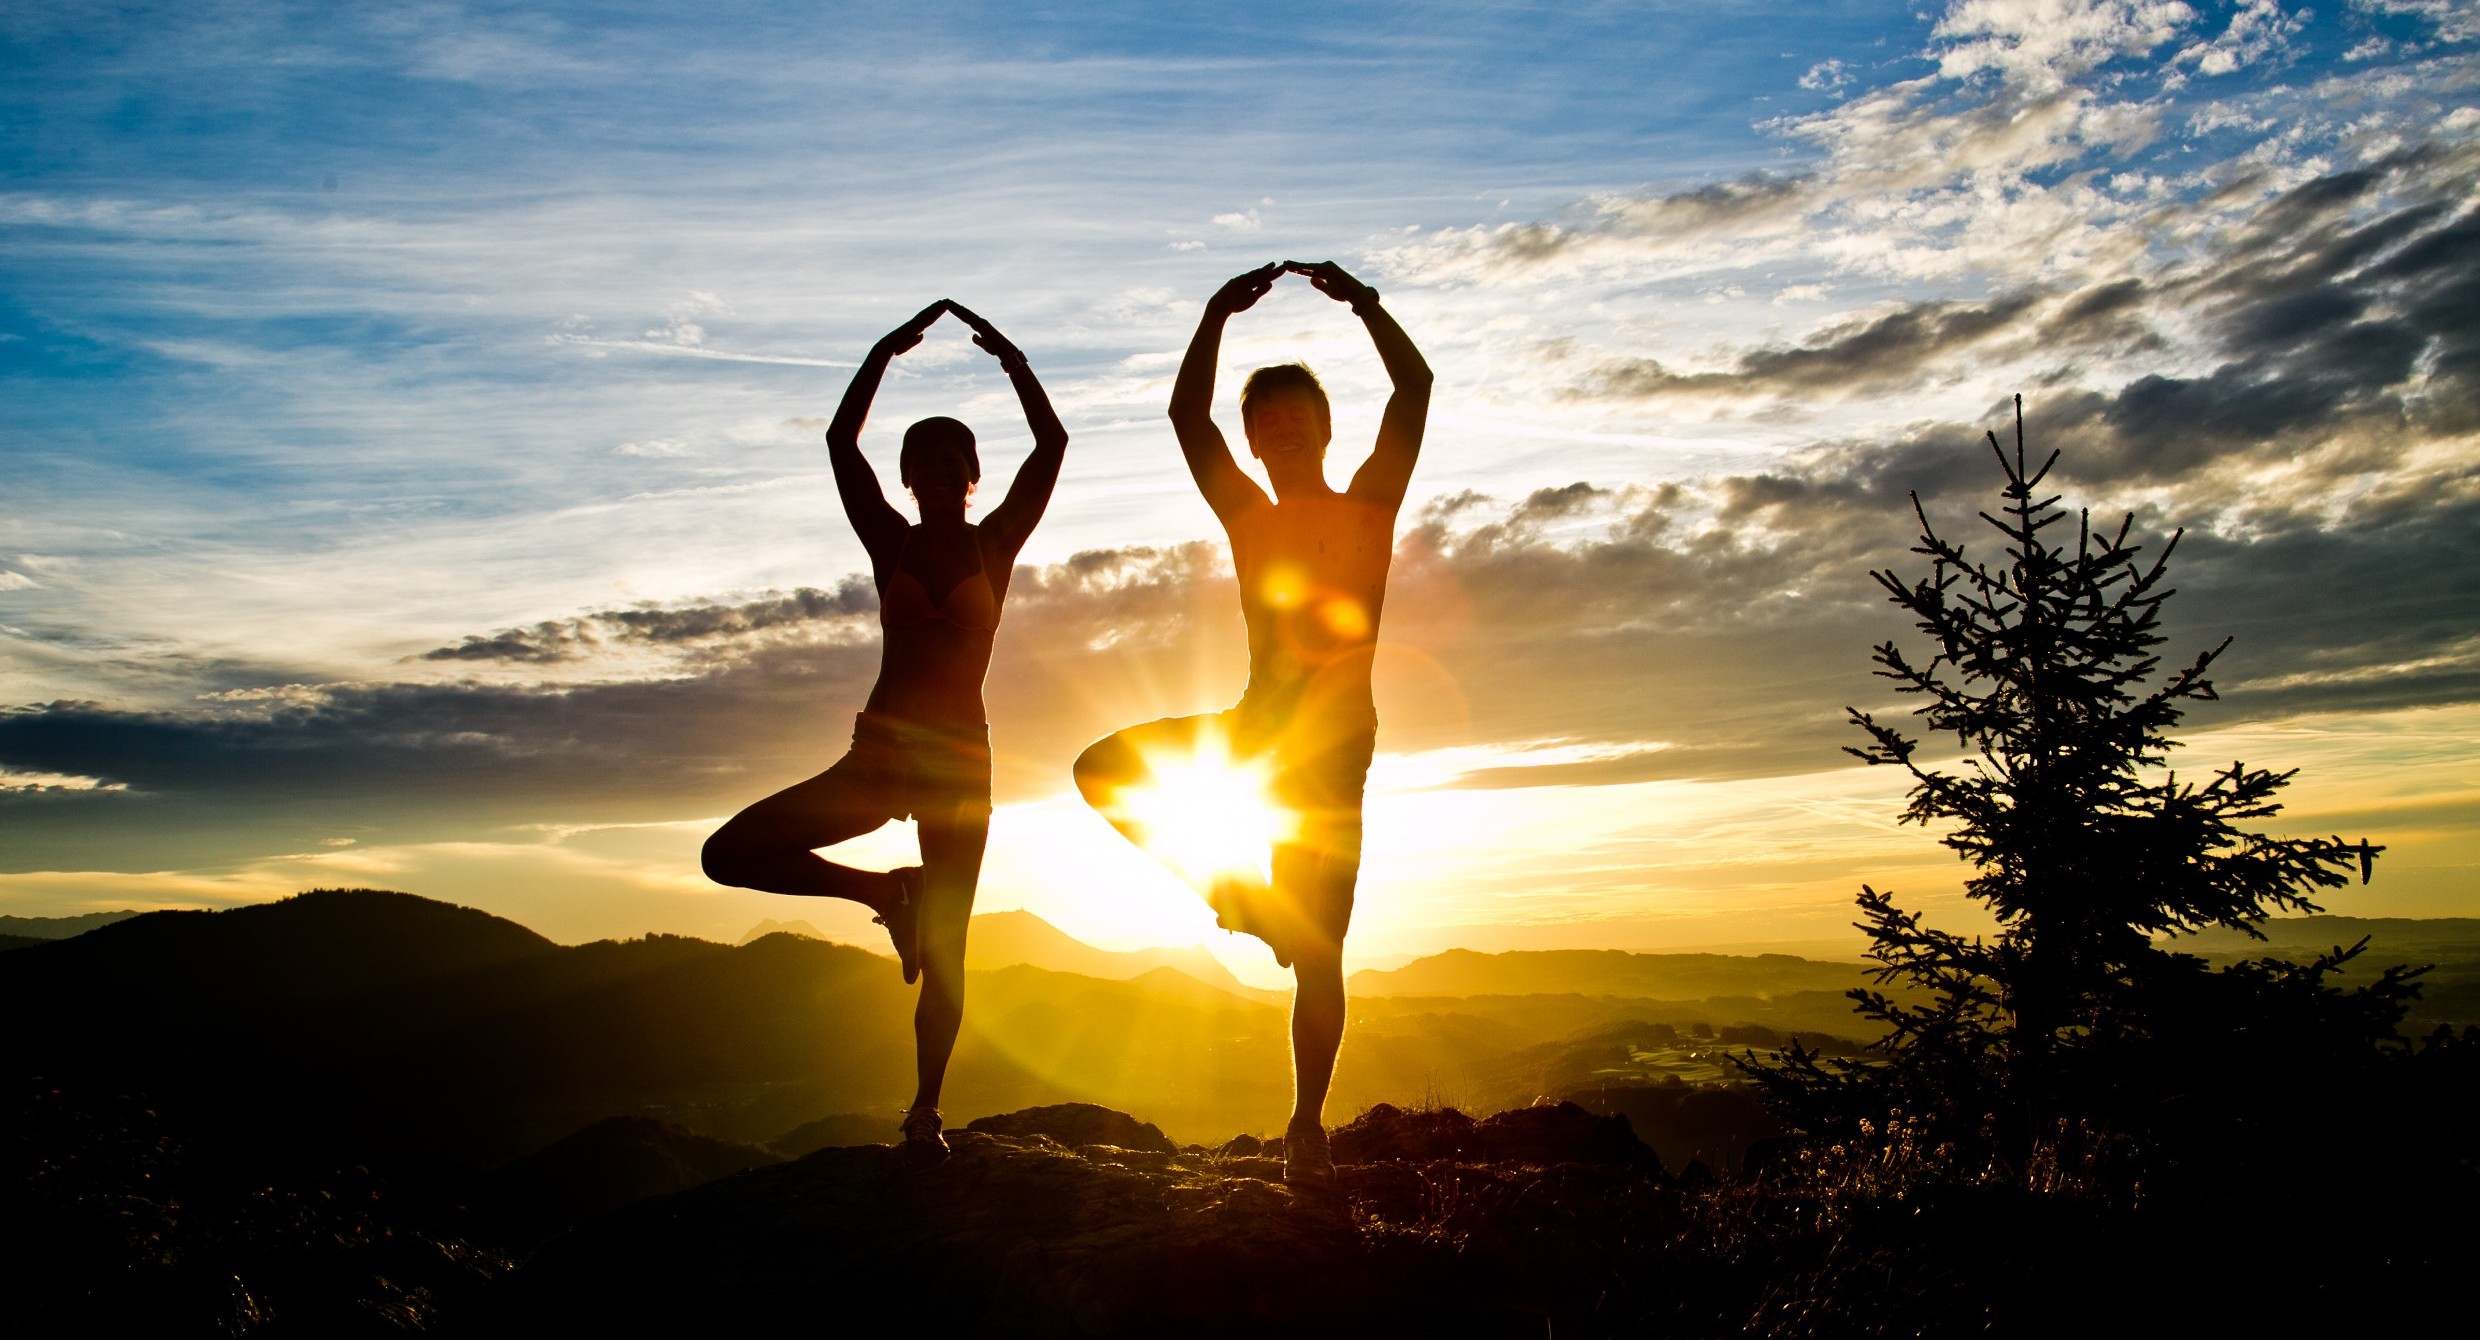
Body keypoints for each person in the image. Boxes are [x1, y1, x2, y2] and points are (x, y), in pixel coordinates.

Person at [1073, 260, 1430, 1185]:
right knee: (1103, 767)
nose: (1279, 429)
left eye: (1294, 415)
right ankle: (1234, 896)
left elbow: (1415, 387)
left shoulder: (1369, 505)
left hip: (1337, 744)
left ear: (1320, 427)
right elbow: (1187, 421)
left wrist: (1364, 305)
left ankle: (1305, 1128)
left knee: (1320, 951)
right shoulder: (1246, 517)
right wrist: (1210, 316)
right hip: (1256, 726)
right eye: (1264, 421)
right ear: (1256, 442)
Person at [702, 299, 1067, 1158]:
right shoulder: (889, 541)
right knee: (727, 855)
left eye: (953, 458)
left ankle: (925, 1114)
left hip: (959, 769)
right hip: (878, 756)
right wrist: (882, 353)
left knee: (950, 947)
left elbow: (1051, 447)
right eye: (924, 459)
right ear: (909, 477)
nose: (939, 468)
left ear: (973, 472)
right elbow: (839, 443)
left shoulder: (999, 543)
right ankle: (881, 892)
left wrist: (1011, 358)